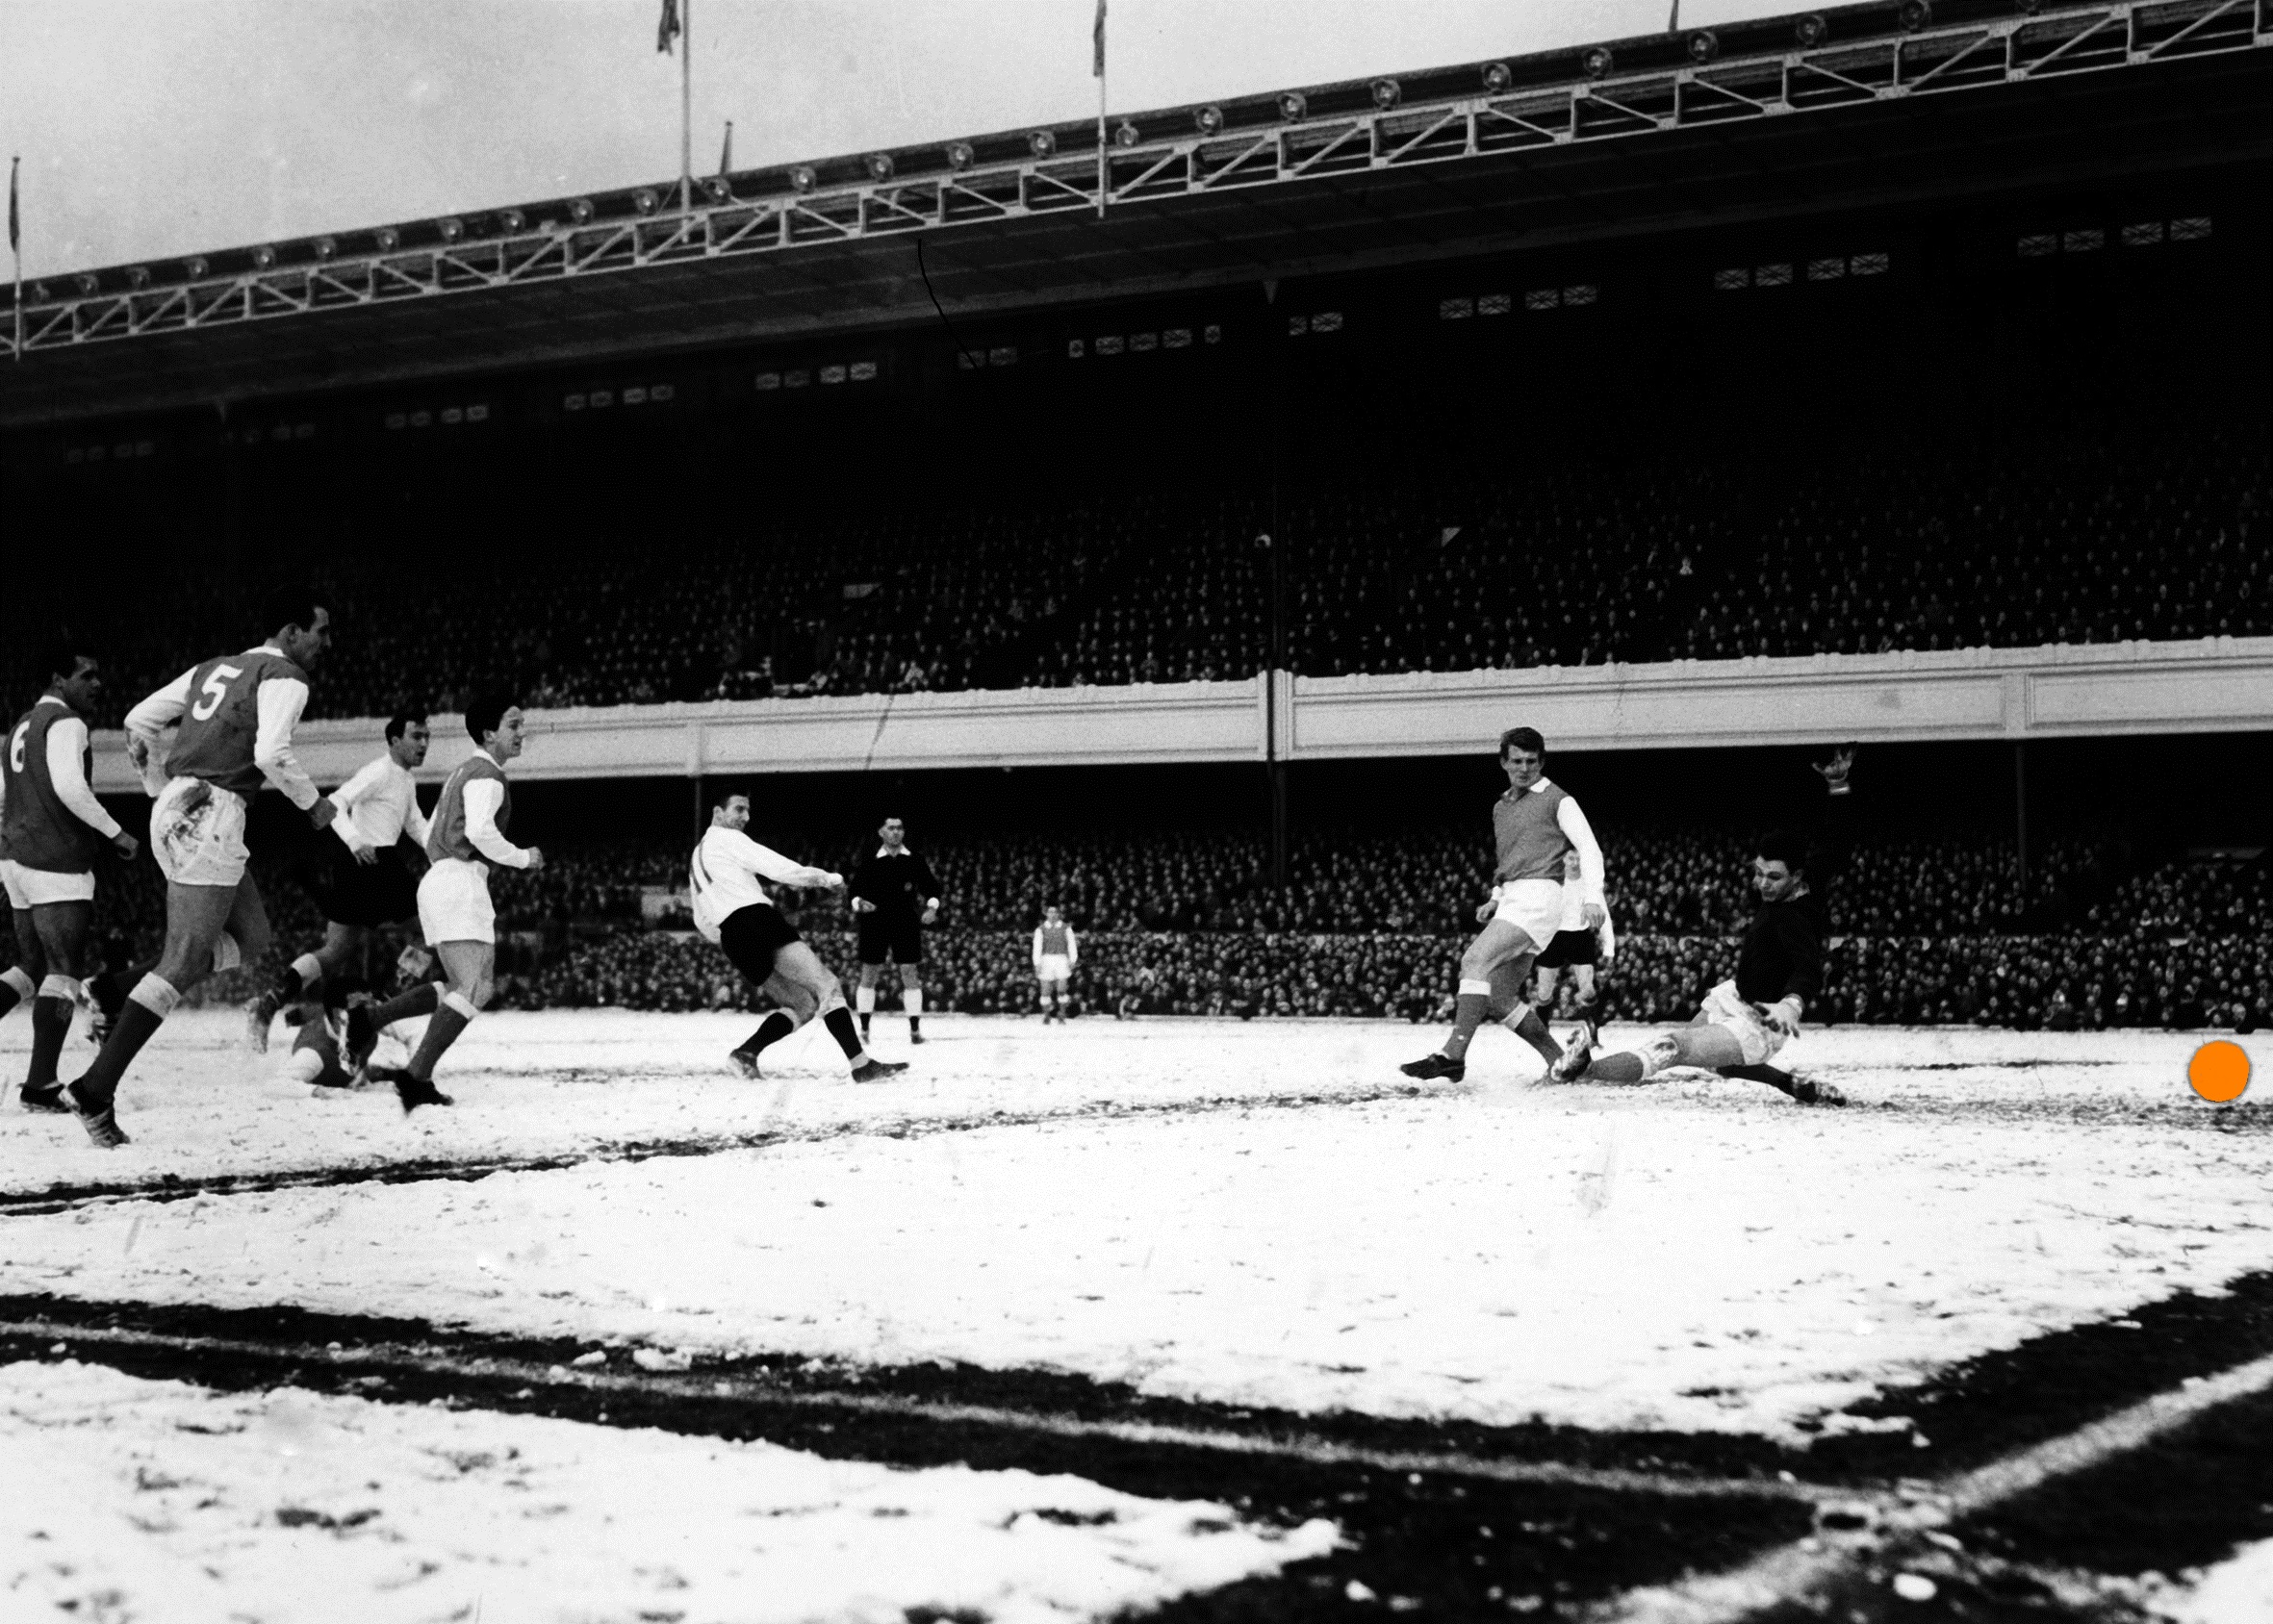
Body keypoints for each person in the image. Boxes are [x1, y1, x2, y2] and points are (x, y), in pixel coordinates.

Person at [64, 589, 338, 1148]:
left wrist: (157, 785)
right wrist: (316, 806)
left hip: (183, 804)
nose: (327, 644)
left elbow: (138, 720)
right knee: (183, 961)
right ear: (290, 633)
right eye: (321, 632)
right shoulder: (285, 675)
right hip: (211, 811)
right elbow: (271, 755)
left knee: (254, 938)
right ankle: (95, 1088)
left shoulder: (210, 669)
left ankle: (115, 989)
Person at [1553, 748, 1855, 1105]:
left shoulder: (1798, 916)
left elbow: (1808, 965)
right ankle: (1792, 1085)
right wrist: (1838, 786)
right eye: (1758, 873)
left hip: (1760, 1021)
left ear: (1797, 877)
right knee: (1718, 1063)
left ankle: (1586, 1072)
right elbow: (1836, 842)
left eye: (1774, 878)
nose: (1762, 884)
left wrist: (1792, 1003)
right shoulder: (1807, 878)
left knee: (1672, 1047)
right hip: (1735, 996)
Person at [371, 689, 542, 1112]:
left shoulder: (463, 771)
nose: (522, 732)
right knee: (472, 987)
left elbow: (430, 836)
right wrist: (524, 857)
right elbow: (482, 832)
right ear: (489, 733)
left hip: (445, 878)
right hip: (458, 880)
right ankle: (413, 1076)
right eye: (513, 725)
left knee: (467, 987)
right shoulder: (486, 775)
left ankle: (376, 1028)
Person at [1402, 727, 1603, 1081]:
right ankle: (1562, 1061)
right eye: (1517, 761)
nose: (1524, 768)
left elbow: (1589, 849)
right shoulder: (1502, 806)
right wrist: (1496, 897)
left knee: (1475, 960)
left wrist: (1591, 897)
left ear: (1541, 762)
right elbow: (1511, 859)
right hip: (1516, 896)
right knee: (1498, 997)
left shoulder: (1559, 800)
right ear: (1504, 762)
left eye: (1531, 761)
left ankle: (1453, 1054)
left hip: (1541, 896)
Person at [0, 641, 140, 1112]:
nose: (97, 684)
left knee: (32, 966)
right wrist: (116, 832)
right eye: (86, 675)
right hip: (55, 858)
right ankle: (40, 1086)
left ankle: (40, 1083)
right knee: (64, 970)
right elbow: (69, 786)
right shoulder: (66, 722)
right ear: (59, 681)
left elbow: (3, 794)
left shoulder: (21, 725)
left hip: (16, 858)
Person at [246, 711, 433, 1052]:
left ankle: (270, 1002)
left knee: (335, 951)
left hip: (365, 865)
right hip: (373, 862)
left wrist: (440, 849)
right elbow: (335, 802)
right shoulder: (378, 771)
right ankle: (383, 1005)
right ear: (394, 741)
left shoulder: (404, 778)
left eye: (426, 737)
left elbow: (414, 823)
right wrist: (354, 840)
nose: (424, 744)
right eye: (416, 736)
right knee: (431, 930)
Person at [688, 791, 907, 1083]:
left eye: (748, 811)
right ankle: (861, 1065)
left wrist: (725, 933)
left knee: (801, 1005)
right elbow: (776, 867)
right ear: (717, 813)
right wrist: (824, 878)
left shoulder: (696, 856)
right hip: (755, 919)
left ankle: (745, 1054)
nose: (745, 818)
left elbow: (700, 916)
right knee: (827, 985)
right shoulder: (728, 839)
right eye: (739, 809)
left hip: (731, 936)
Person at [849, 815, 940, 1045]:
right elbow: (854, 890)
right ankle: (865, 1029)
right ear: (881, 832)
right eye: (891, 828)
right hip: (874, 921)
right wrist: (859, 902)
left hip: (905, 921)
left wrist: (932, 907)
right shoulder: (869, 859)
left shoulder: (914, 860)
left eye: (900, 828)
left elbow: (932, 887)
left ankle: (915, 1031)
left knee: (909, 972)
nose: (896, 832)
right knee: (869, 973)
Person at [1532, 849, 1616, 1028]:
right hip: (1553, 936)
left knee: (1588, 989)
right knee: (1544, 992)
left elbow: (1604, 915)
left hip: (1580, 937)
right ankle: (1542, 1028)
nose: (1575, 863)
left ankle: (1591, 1025)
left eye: (1578, 858)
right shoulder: (1551, 882)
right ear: (1563, 859)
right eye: (1571, 858)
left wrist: (1609, 948)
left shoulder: (1590, 884)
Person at [1032, 903, 1078, 1022]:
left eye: (1055, 912)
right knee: (1045, 990)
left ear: (1058, 914)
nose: (1052, 914)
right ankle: (1046, 1015)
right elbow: (1037, 947)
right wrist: (1037, 963)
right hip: (1046, 959)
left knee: (1062, 990)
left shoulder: (1066, 928)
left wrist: (1073, 960)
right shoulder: (1040, 929)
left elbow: (1072, 945)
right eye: (1050, 912)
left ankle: (1062, 1014)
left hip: (1061, 959)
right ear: (1046, 914)